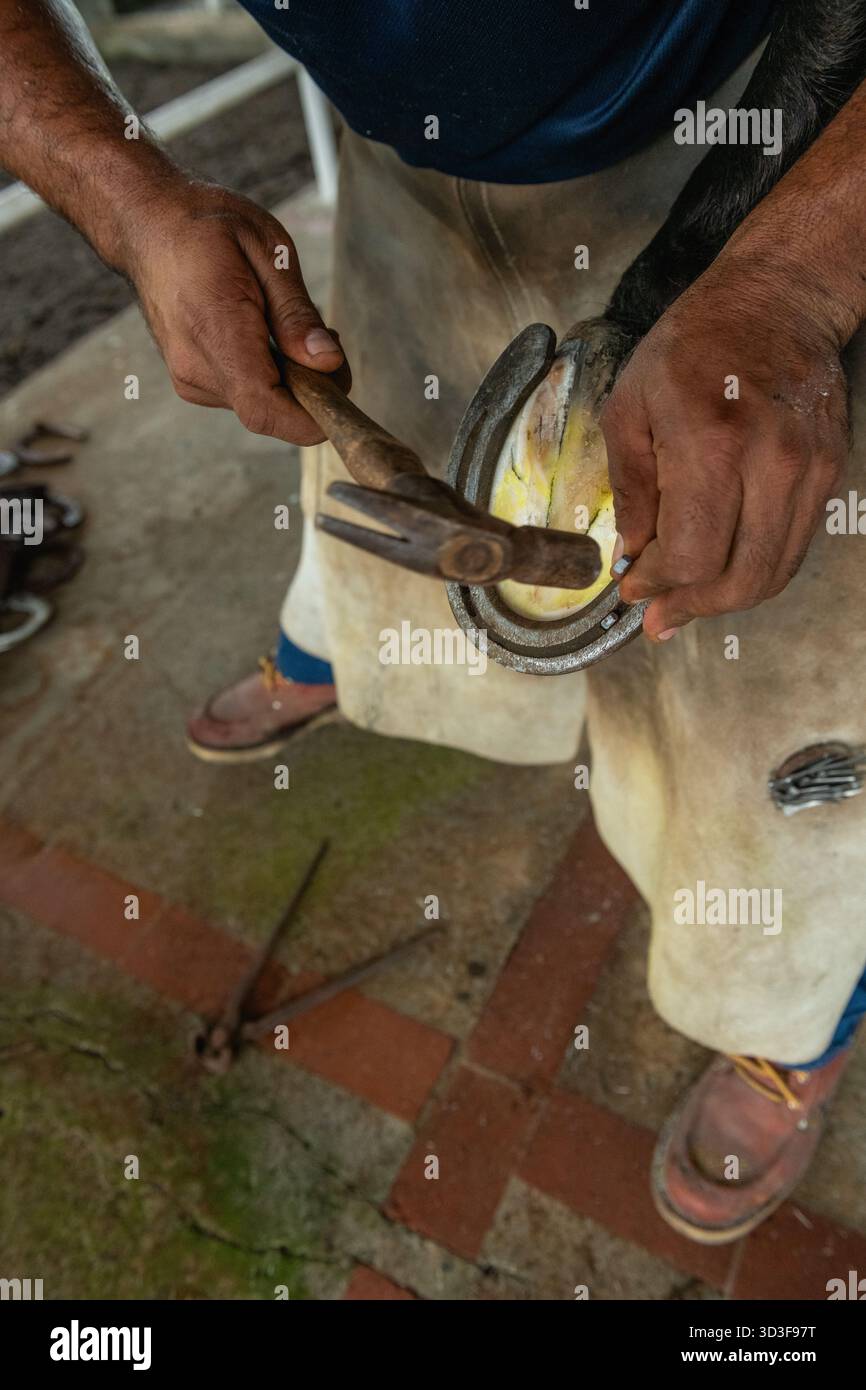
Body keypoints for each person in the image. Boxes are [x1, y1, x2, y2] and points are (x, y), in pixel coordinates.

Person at [3, 0, 866, 1245]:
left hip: (768, 135)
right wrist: (118, 185)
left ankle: (789, 1016)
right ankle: (338, 649)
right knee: (386, 500)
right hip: (404, 161)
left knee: (772, 693)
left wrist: (790, 277)